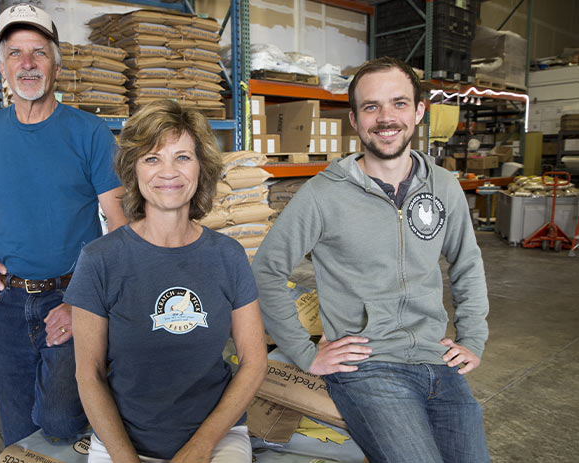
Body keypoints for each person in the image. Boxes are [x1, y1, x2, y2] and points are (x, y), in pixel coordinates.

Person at [252, 56, 490, 463]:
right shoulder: (323, 195)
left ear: (418, 111)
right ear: (354, 119)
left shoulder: (444, 186)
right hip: (370, 368)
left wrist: (473, 339)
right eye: (371, 107)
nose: (385, 118)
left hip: (437, 358)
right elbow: (266, 270)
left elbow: (467, 263)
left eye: (398, 103)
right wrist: (306, 353)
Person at [0, 3, 127, 447]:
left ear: (56, 64)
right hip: (3, 299)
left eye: (38, 52)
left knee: (60, 422)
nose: (27, 64)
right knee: (19, 429)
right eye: (15, 53)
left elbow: (118, 224)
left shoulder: (90, 132)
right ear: (1, 66)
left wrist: (87, 302)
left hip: (70, 294)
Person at [65, 100, 267, 462]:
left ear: (201, 166)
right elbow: (89, 375)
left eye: (183, 157)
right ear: (134, 170)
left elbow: (254, 362)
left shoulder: (228, 255)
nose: (168, 172)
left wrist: (202, 445)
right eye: (152, 158)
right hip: (122, 439)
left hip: (216, 434)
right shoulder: (100, 259)